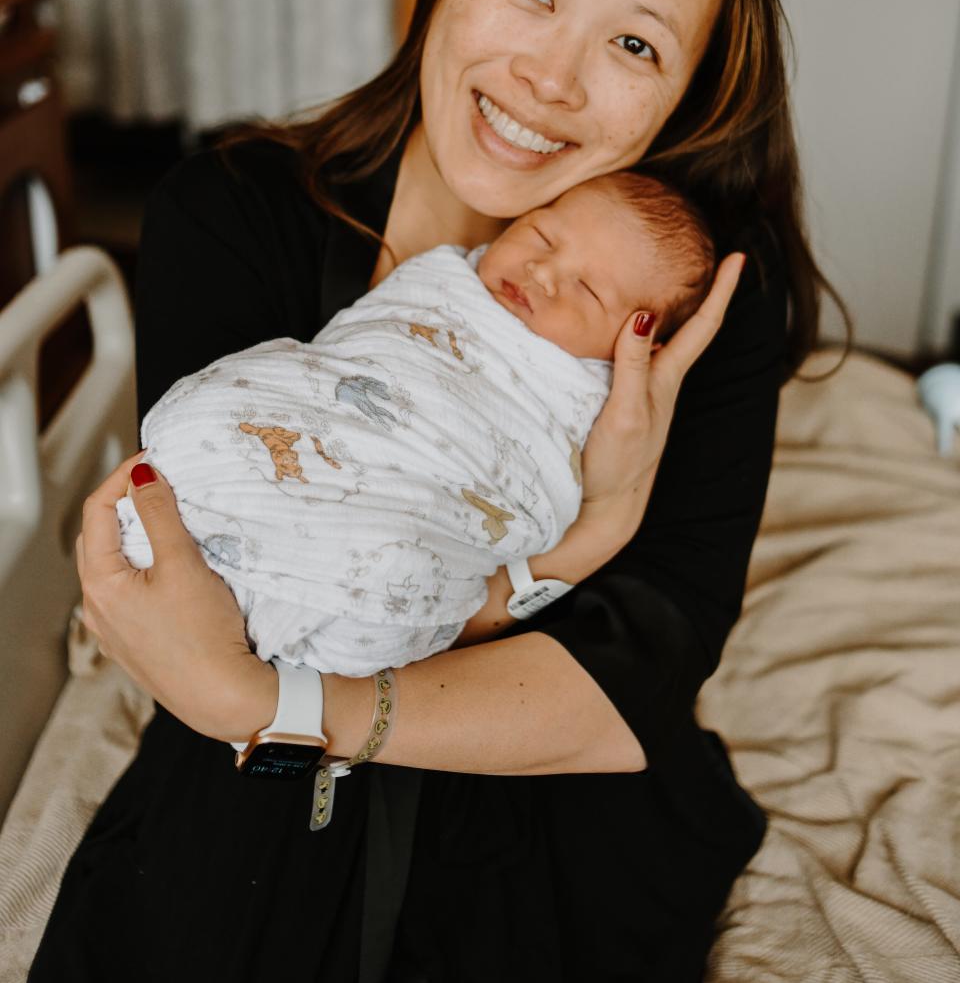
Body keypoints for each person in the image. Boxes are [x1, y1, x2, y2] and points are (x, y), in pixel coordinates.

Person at [30, 0, 843, 983]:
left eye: (636, 46)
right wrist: (572, 552)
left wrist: (268, 698)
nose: (550, 78)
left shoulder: (684, 304)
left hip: (539, 805)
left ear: (686, 97)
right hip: (246, 786)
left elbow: (630, 687)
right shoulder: (235, 209)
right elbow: (197, 579)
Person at [114, 172, 715, 676]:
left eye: (586, 289)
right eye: (541, 234)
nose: (542, 271)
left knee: (395, 561)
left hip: (407, 516)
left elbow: (531, 479)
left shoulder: (588, 392)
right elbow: (355, 350)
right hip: (323, 422)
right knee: (226, 407)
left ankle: (279, 610)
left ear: (629, 345)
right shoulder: (444, 279)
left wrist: (607, 504)